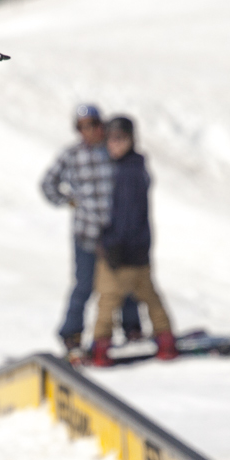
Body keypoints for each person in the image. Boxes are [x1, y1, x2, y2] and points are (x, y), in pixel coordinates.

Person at [40, 103, 140, 354]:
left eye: (94, 125)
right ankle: (71, 334)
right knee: (84, 285)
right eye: (82, 127)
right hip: (86, 233)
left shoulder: (113, 151)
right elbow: (48, 184)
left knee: (124, 283)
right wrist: (68, 200)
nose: (89, 131)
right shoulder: (71, 155)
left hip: (117, 233)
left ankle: (132, 329)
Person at [88, 116, 175, 366]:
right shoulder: (134, 167)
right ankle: (165, 339)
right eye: (110, 140)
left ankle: (100, 348)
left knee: (108, 299)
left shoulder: (127, 172)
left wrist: (114, 244)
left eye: (120, 139)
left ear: (131, 140)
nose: (113, 145)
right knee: (149, 295)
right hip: (137, 249)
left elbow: (127, 215)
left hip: (122, 250)